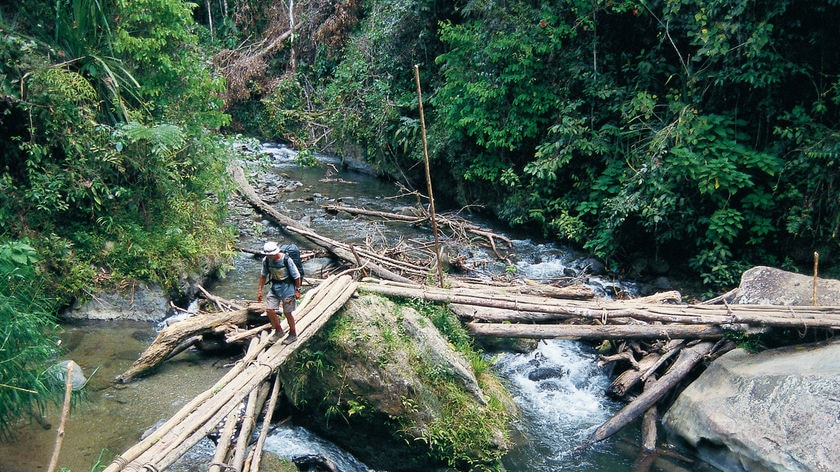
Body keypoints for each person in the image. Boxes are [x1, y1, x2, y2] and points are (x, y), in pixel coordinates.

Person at [257, 241, 302, 344]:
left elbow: (297, 276)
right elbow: (263, 275)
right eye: (267, 255)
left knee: (287, 313)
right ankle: (278, 330)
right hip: (275, 287)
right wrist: (260, 290)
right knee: (269, 310)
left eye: (270, 255)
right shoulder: (266, 261)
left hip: (288, 288)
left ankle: (293, 333)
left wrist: (297, 290)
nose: (269, 257)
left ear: (275, 253)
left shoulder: (286, 260)